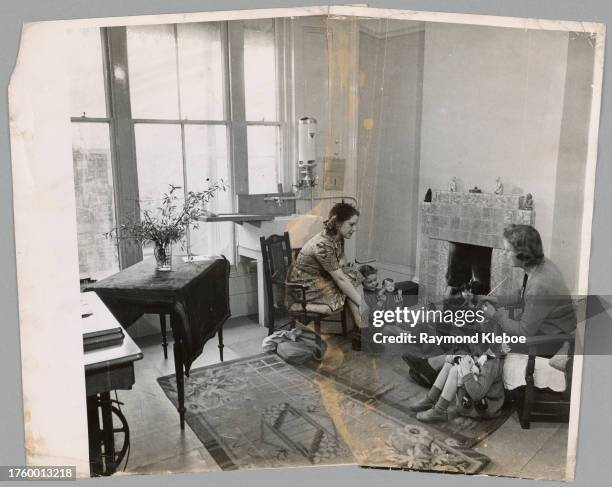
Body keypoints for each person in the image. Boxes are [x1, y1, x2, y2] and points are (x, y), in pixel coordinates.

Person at [479, 224, 576, 355]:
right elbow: (522, 293)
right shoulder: (538, 265)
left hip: (548, 340)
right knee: (489, 341)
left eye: (508, 250)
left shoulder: (540, 284)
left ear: (522, 255)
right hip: (542, 327)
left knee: (492, 351)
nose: (504, 253)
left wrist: (496, 316)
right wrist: (496, 300)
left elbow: (524, 331)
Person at [285, 202, 368, 332]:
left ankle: (361, 325)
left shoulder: (336, 237)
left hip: (318, 280)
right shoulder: (322, 245)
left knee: (353, 275)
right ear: (338, 224)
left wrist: (342, 267)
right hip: (305, 288)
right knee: (345, 286)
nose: (354, 229)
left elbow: (341, 260)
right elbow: (340, 279)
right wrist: (362, 302)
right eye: (351, 224)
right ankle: (362, 326)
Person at [408, 351, 505, 423]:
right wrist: (458, 358)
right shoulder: (484, 353)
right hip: (474, 398)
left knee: (455, 370)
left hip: (484, 407)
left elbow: (477, 394)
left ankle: (439, 410)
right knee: (449, 364)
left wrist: (465, 370)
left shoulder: (491, 363)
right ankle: (431, 399)